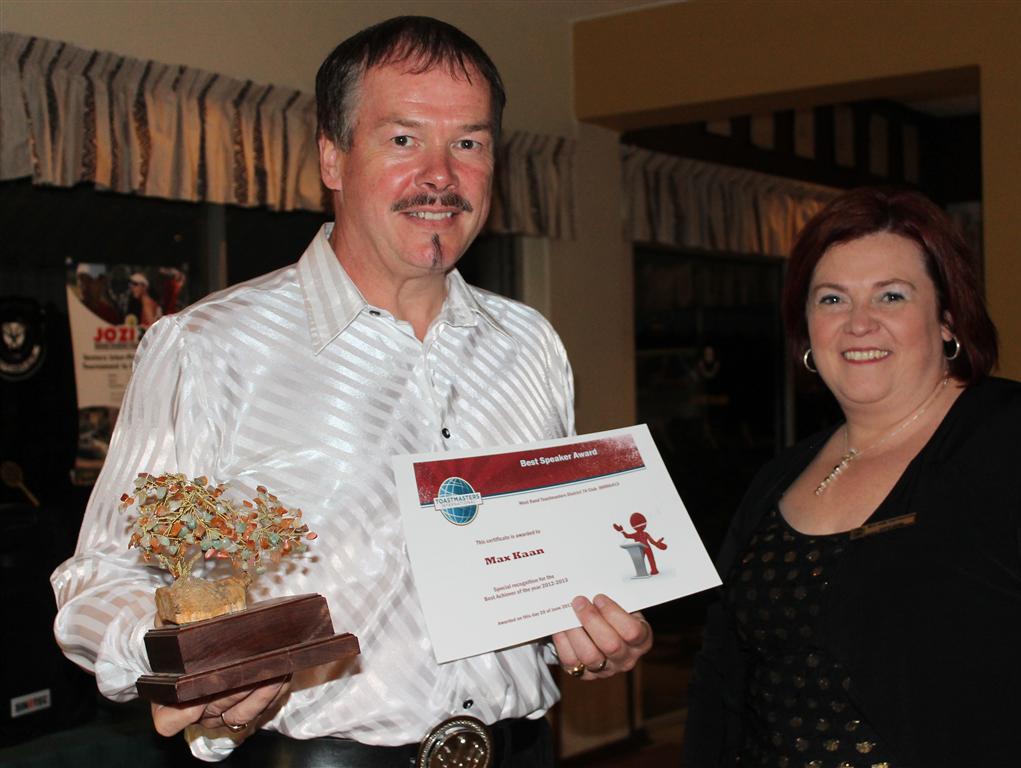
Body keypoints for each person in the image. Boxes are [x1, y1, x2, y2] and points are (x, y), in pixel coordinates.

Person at [51, 16, 651, 766]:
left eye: (469, 144)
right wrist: (188, 660)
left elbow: (548, 566)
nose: (441, 175)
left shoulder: (530, 344)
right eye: (403, 139)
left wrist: (592, 633)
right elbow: (99, 580)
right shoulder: (208, 346)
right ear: (332, 158)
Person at [683, 186, 1021, 767]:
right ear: (807, 327)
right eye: (832, 299)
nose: (858, 323)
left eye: (891, 295)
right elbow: (721, 679)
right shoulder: (779, 477)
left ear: (948, 318)